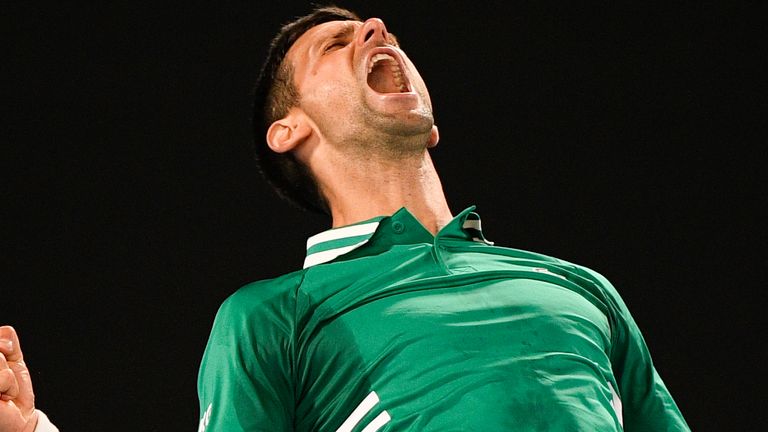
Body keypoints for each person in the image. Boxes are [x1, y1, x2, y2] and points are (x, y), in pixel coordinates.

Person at [1, 5, 690, 432]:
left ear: (432, 124)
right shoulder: (274, 318)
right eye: (333, 44)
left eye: (373, 26)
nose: (375, 26)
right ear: (288, 129)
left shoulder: (580, 287)